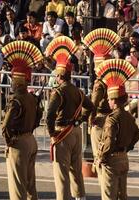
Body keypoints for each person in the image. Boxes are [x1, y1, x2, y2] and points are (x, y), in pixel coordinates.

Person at [45, 36, 95, 200]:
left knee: (61, 172)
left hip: (62, 133)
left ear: (60, 75)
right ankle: (80, 196)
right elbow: (90, 107)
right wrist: (82, 119)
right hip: (75, 131)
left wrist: (51, 133)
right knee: (76, 168)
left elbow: (49, 115)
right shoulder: (78, 91)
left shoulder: (58, 92)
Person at [1, 41, 43, 200]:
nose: (11, 82)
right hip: (31, 139)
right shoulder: (32, 98)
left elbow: (5, 125)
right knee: (30, 184)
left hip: (18, 143)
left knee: (18, 186)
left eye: (13, 79)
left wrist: (8, 141)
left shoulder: (15, 99)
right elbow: (39, 117)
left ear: (17, 81)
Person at [94, 59, 139, 200]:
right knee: (122, 195)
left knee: (109, 195)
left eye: (109, 98)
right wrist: (128, 146)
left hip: (112, 160)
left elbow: (109, 140)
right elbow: (137, 134)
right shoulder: (128, 115)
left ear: (114, 99)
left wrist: (101, 158)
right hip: (123, 158)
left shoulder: (112, 118)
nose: (108, 101)